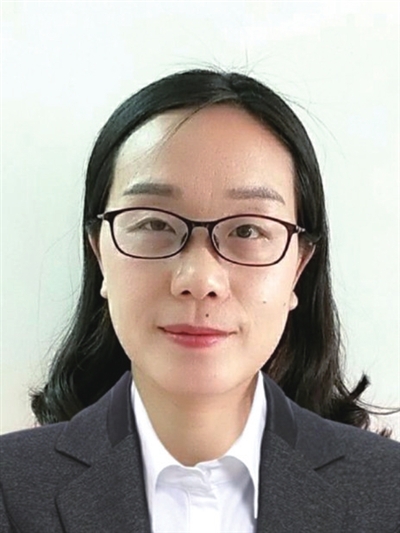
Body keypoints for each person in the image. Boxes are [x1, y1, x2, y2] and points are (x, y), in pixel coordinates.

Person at [1, 69, 399, 533]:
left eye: (247, 229)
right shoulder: (9, 490)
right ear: (100, 254)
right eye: (154, 224)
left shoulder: (389, 493)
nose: (200, 279)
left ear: (298, 266)